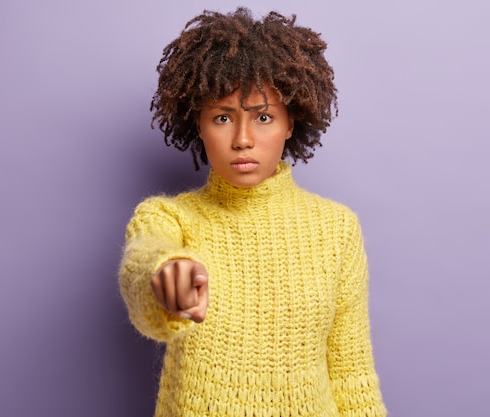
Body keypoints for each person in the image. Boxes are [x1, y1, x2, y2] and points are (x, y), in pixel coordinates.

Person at [118, 7, 387, 417]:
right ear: (199, 124)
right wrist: (165, 271)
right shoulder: (171, 218)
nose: (243, 139)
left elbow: (352, 375)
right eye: (223, 117)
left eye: (263, 117)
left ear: (291, 122)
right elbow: (143, 261)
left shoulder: (337, 228)